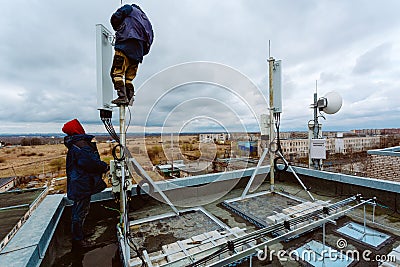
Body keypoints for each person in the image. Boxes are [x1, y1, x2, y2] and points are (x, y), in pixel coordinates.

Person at [62, 119, 108, 249]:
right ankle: (78, 240)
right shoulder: (81, 145)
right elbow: (90, 163)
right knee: (80, 211)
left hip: (79, 181)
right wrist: (104, 167)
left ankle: (80, 233)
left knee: (80, 209)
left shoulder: (75, 144)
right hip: (82, 183)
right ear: (78, 129)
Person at [110, 3, 154, 105]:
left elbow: (116, 17)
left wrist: (118, 28)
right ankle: (129, 98)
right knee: (129, 78)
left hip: (126, 42)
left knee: (116, 73)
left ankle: (122, 97)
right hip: (139, 50)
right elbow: (151, 36)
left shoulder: (129, 8)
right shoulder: (145, 19)